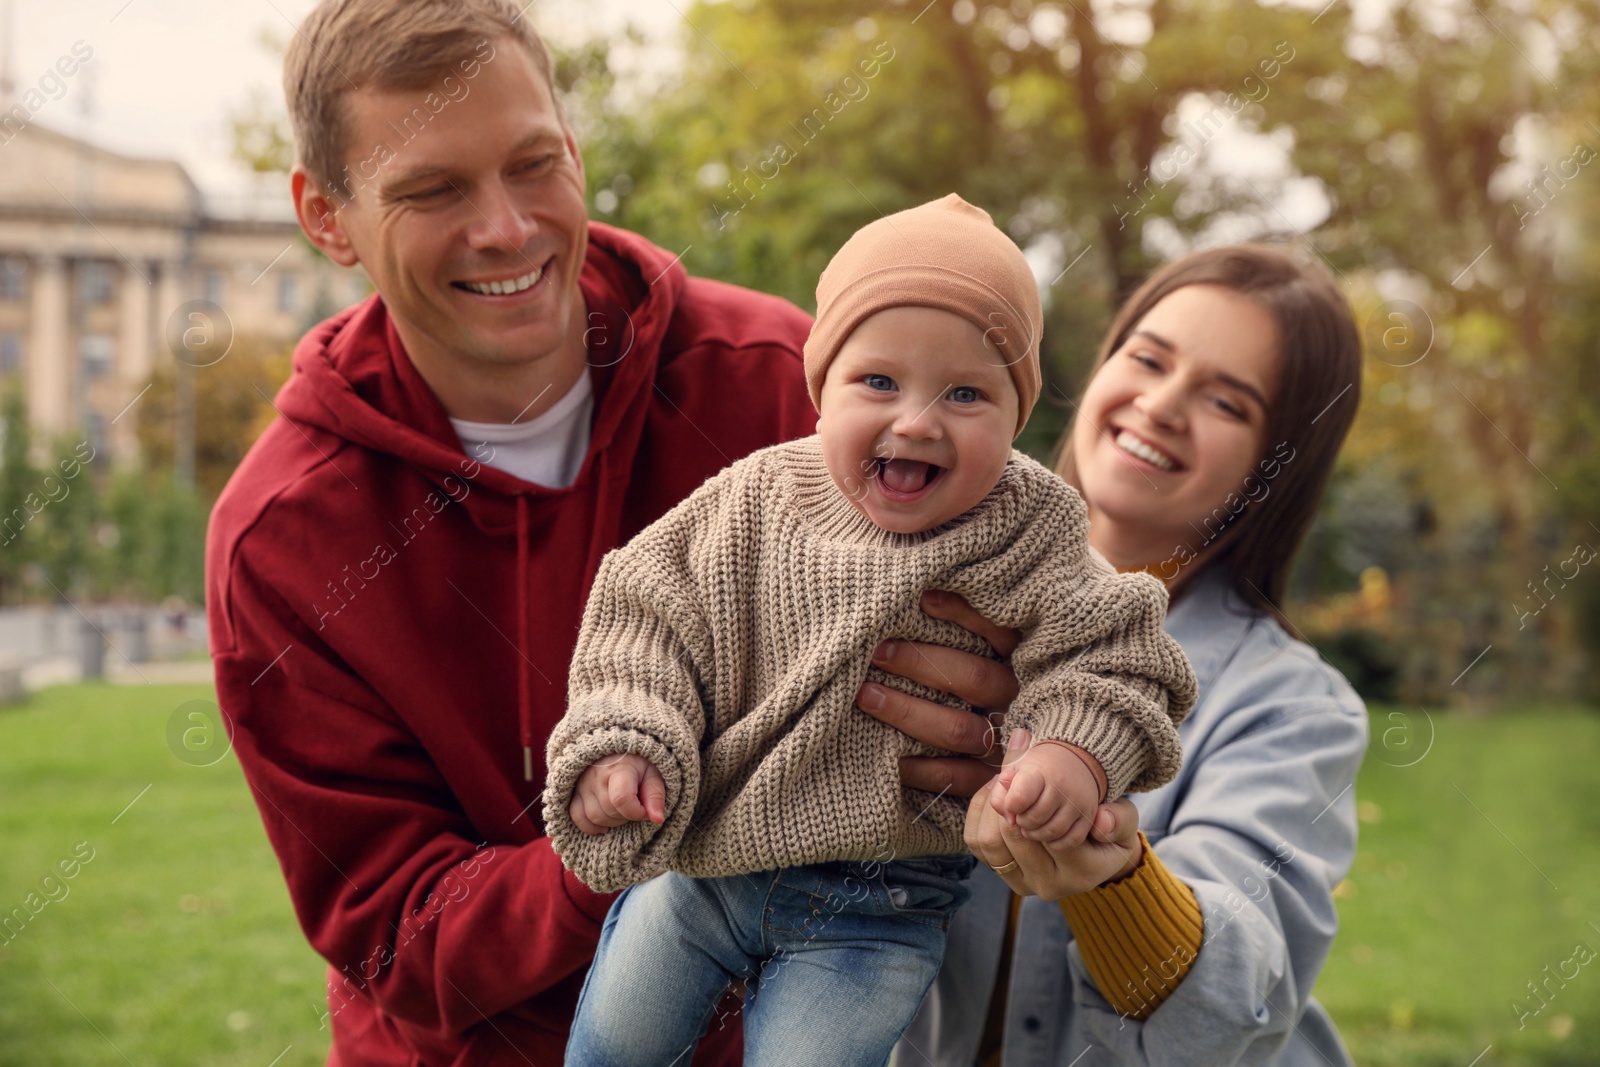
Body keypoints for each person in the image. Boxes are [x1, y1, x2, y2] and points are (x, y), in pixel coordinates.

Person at [203, 2, 1017, 1064]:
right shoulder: (284, 540)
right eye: (433, 189)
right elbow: (400, 937)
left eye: (533, 163)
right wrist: (664, 823)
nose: (504, 228)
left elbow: (993, 644)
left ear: (574, 148)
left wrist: (997, 722)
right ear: (326, 215)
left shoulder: (789, 388)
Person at [541, 195, 1197, 1066]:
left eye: (966, 392)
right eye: (879, 381)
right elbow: (650, 613)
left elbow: (1112, 651)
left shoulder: (1028, 523)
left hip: (878, 904)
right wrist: (627, 743)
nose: (918, 420)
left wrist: (1068, 753)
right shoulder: (758, 498)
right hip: (710, 860)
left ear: (1018, 415)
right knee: (611, 1049)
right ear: (821, 390)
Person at [874, 246, 1370, 1065]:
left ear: (1275, 469)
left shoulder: (1289, 706)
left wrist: (1111, 875)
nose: (1162, 404)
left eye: (1226, 402)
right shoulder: (925, 588)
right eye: (1148, 358)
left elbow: (1245, 994)